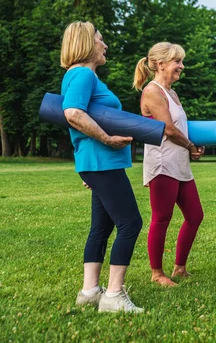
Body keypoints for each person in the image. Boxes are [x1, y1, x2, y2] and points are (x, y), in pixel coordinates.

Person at [62, 21, 143, 313]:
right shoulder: (83, 74)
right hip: (101, 161)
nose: (104, 45)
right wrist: (107, 138)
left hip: (96, 163)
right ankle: (113, 296)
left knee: (102, 226)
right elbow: (72, 113)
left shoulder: (79, 76)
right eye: (100, 39)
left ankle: (89, 291)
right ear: (86, 43)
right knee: (130, 223)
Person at [133, 42, 205, 287]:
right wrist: (189, 146)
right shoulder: (152, 91)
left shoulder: (172, 93)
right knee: (162, 217)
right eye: (177, 62)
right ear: (161, 64)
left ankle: (179, 268)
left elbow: (181, 129)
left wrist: (195, 145)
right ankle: (156, 273)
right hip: (162, 163)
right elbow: (168, 129)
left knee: (195, 215)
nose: (181, 66)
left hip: (180, 163)